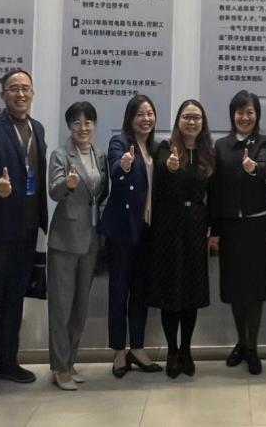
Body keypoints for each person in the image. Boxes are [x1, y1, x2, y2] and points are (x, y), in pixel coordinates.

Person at [0, 69, 48, 396]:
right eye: (14, 88)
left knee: (16, 299)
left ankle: (8, 362)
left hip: (27, 229)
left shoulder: (37, 128)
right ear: (3, 94)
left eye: (25, 88)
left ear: (32, 93)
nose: (20, 94)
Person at [208, 90, 266, 375]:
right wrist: (214, 231)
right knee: (235, 289)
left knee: (255, 290)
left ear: (257, 115)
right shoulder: (220, 146)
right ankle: (241, 341)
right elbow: (215, 191)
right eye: (240, 112)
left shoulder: (265, 142)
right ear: (232, 115)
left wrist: (253, 167)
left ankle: (253, 347)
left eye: (250, 112)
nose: (245, 117)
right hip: (230, 229)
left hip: (257, 227)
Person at [149, 99, 215, 378]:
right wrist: (170, 167)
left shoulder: (207, 153)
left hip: (197, 225)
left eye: (196, 117)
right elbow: (159, 177)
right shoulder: (166, 148)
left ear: (203, 123)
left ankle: (186, 349)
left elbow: (215, 194)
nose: (191, 122)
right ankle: (172, 351)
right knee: (171, 292)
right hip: (169, 226)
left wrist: (213, 229)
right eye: (187, 117)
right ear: (178, 121)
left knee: (191, 292)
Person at [46, 101, 108, 390]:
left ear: (94, 125)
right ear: (69, 126)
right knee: (61, 307)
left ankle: (70, 361)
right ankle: (59, 367)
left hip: (92, 238)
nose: (83, 128)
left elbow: (101, 193)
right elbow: (54, 191)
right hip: (65, 239)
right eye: (77, 123)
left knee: (80, 306)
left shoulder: (99, 154)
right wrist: (68, 184)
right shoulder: (61, 155)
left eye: (88, 122)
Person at [99, 95, 162, 377]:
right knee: (118, 290)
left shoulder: (157, 147)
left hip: (147, 229)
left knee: (140, 291)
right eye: (140, 114)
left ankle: (137, 347)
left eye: (150, 113)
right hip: (122, 229)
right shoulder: (120, 142)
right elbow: (115, 169)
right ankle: (118, 350)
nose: (146, 119)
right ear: (130, 118)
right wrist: (124, 165)